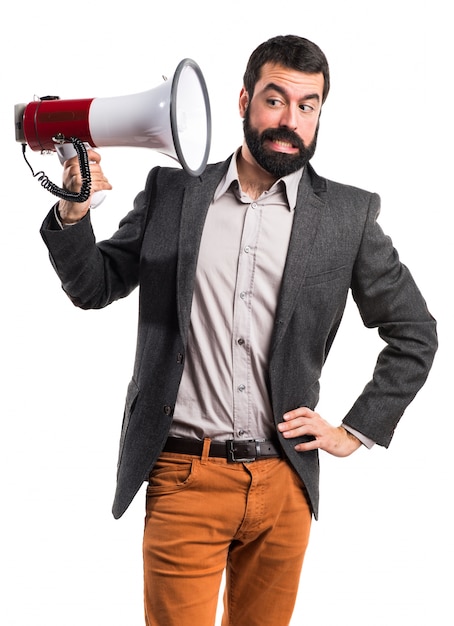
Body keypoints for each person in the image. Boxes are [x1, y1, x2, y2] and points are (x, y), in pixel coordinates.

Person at [40, 35, 437, 626]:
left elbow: (414, 332)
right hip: (182, 477)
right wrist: (73, 212)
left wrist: (356, 430)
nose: (290, 120)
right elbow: (93, 287)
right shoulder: (174, 193)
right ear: (245, 99)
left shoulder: (348, 216)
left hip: (284, 484)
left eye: (308, 106)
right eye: (276, 100)